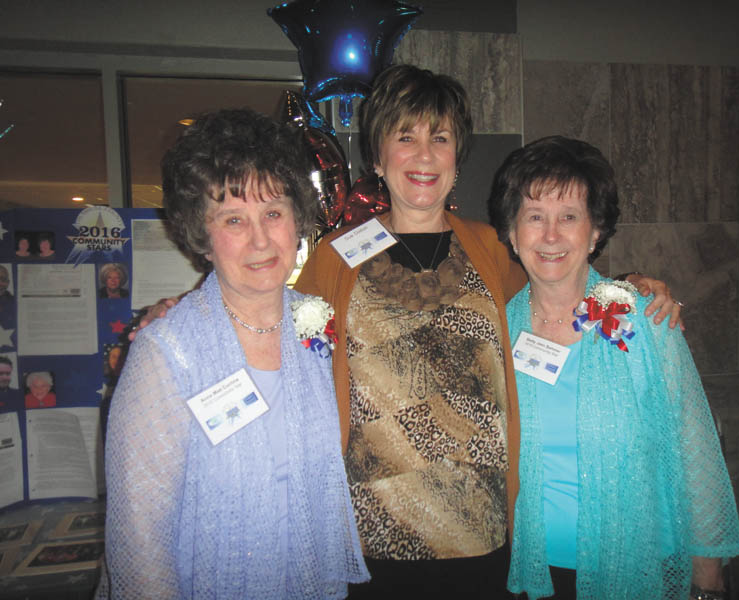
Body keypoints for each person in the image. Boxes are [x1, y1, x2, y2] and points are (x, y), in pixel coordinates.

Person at [294, 65, 682, 598]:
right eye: (404, 137)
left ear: (458, 158)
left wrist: (629, 287)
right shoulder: (337, 257)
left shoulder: (491, 249)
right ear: (378, 158)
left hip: (484, 533)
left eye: (441, 137)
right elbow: (276, 335)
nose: (424, 155)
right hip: (372, 534)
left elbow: (558, 283)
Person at [97, 109, 368, 599]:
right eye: (234, 219)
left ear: (296, 219)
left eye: (272, 213)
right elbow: (139, 541)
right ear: (202, 236)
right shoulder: (166, 352)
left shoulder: (320, 325)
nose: (260, 239)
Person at [488, 136, 739, 599]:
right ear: (511, 232)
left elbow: (696, 451)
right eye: (534, 217)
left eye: (569, 216)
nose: (550, 236)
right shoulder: (496, 331)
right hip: (537, 571)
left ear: (596, 231)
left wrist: (708, 579)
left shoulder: (647, 320)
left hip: (641, 562)